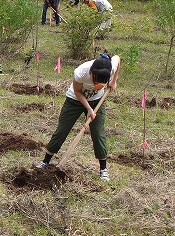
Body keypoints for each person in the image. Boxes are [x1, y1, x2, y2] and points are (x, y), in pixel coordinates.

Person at [36, 53, 121, 181]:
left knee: (98, 134)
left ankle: (103, 169)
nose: (96, 83)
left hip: (97, 101)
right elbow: (77, 92)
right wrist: (88, 108)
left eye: (100, 82)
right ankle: (45, 161)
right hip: (74, 100)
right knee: (62, 131)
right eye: (94, 79)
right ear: (91, 72)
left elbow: (117, 59)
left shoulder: (110, 68)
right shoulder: (81, 72)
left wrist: (114, 80)